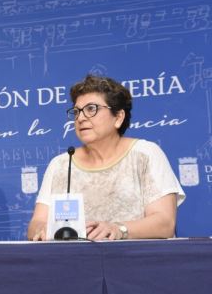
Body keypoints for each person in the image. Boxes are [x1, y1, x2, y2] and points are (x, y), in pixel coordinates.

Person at [28, 75, 185, 241]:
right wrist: (42, 229)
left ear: (118, 117)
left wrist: (119, 229)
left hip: (138, 262)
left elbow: (165, 223)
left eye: (91, 109)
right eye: (76, 111)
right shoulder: (60, 164)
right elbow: (36, 224)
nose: (80, 118)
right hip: (74, 263)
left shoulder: (146, 154)